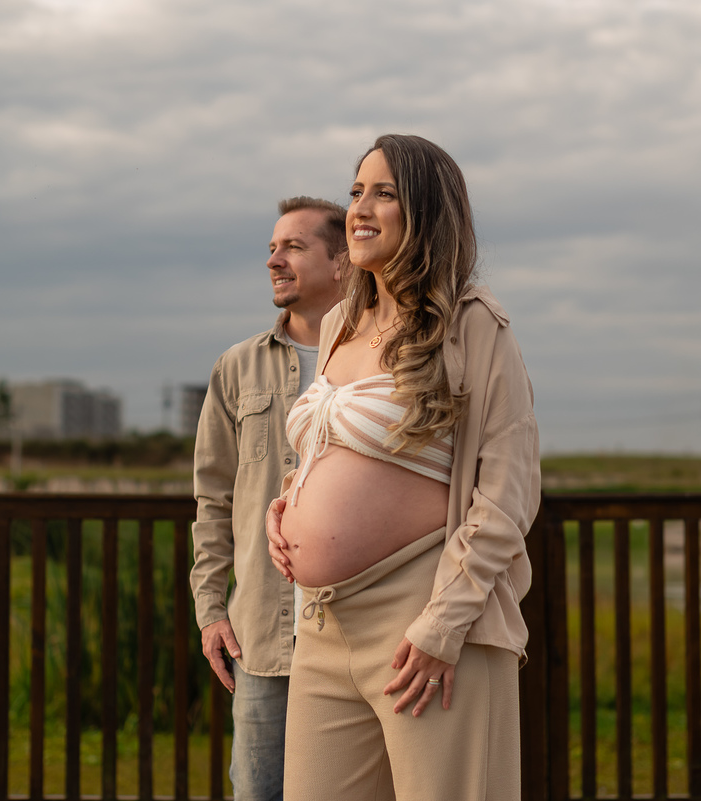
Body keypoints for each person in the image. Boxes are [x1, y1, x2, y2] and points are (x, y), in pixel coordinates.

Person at [265, 135, 541, 800]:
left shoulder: (474, 326)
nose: (359, 206)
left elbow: (509, 490)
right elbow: (332, 445)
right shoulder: (339, 325)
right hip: (325, 626)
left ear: (426, 210)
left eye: (383, 192)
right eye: (356, 190)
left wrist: (442, 624)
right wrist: (287, 504)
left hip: (424, 619)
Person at [191, 196, 347, 801]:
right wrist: (210, 608)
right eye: (271, 248)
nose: (273, 260)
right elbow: (213, 500)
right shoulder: (236, 368)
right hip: (262, 633)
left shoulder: (383, 362)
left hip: (363, 628)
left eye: (292, 247)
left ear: (342, 263)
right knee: (260, 792)